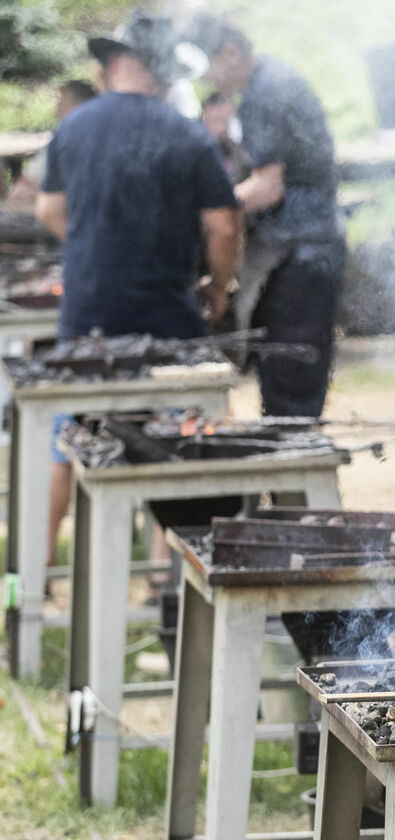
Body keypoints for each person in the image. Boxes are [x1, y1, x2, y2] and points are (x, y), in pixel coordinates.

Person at [34, 11, 241, 576]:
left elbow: (49, 210)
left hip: (88, 317)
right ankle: (168, 580)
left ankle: (34, 582)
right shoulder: (187, 133)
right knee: (179, 443)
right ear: (160, 69)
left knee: (65, 442)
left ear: (118, 64)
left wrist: (96, 248)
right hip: (169, 320)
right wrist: (217, 289)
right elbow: (224, 225)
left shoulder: (73, 128)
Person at [183, 14, 345, 418]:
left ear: (231, 52)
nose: (209, 83)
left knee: (291, 373)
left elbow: (266, 186)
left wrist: (203, 212)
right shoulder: (268, 82)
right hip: (302, 248)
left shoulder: (266, 92)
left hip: (302, 252)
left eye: (209, 70)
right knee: (283, 371)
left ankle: (295, 467)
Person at [7, 80, 96, 203]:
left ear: (79, 106)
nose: (56, 110)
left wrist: (40, 191)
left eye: (62, 103)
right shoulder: (59, 138)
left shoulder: (82, 143)